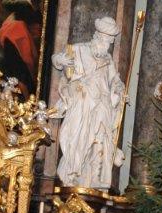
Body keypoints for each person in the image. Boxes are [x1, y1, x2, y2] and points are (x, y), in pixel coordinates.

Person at [51, 16, 125, 189]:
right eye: (105, 41)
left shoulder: (108, 59)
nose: (107, 46)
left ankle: (94, 176)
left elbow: (115, 80)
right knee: (81, 135)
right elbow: (56, 58)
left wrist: (119, 88)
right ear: (97, 37)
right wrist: (60, 61)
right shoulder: (79, 49)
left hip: (102, 102)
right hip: (83, 100)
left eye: (110, 43)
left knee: (101, 137)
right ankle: (73, 171)